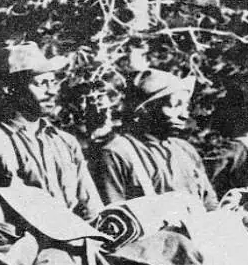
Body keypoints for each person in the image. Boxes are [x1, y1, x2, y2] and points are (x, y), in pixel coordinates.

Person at [0, 42, 103, 219]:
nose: (51, 92)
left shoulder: (65, 142)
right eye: (41, 84)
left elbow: (92, 208)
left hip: (75, 240)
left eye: (53, 83)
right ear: (11, 89)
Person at [93, 69, 218, 210]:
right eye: (174, 105)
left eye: (185, 106)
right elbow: (114, 217)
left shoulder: (185, 150)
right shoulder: (117, 153)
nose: (184, 115)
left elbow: (210, 204)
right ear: (146, 109)